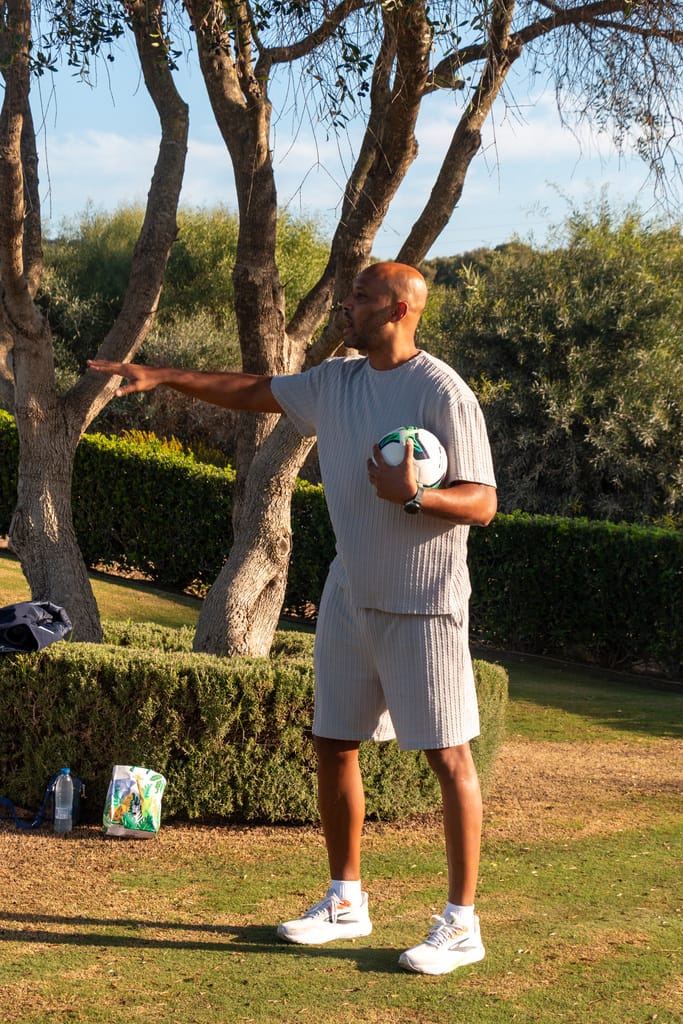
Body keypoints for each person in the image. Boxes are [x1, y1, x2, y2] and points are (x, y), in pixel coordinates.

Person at [89, 261, 497, 975]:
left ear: (399, 309)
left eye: (361, 297)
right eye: (347, 296)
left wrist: (414, 496)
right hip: (349, 592)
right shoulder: (336, 381)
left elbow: (483, 502)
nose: (346, 306)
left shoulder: (443, 392)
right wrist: (165, 375)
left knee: (449, 756)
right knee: (333, 742)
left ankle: (462, 925)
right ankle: (346, 901)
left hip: (424, 599)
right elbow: (254, 390)